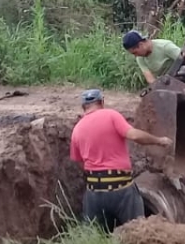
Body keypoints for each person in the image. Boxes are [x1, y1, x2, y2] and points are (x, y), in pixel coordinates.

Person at [69, 88, 172, 231]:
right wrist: (159, 140)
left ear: (83, 107)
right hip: (121, 190)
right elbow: (134, 136)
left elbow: (80, 161)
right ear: (102, 102)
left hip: (94, 193)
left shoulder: (77, 130)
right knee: (137, 233)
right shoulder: (111, 115)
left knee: (93, 236)